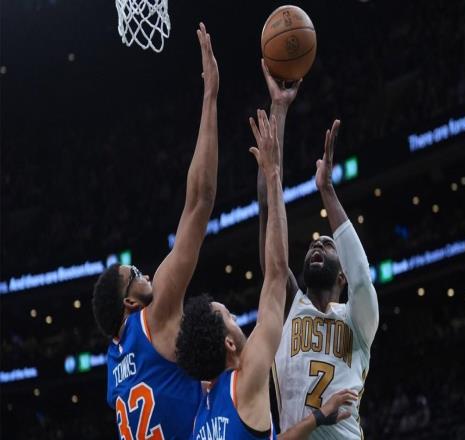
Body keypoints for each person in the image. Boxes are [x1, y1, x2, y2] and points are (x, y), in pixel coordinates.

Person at [176, 109, 358, 440]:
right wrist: (273, 175)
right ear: (228, 342)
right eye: (229, 316)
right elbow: (275, 274)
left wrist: (316, 418)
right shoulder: (245, 380)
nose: (237, 319)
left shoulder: (201, 415)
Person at [91, 23, 219, 439]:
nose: (144, 272)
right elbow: (199, 201)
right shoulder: (155, 313)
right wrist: (210, 96)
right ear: (130, 302)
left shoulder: (113, 367)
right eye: (134, 275)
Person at [258, 61, 379, 439]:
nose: (317, 245)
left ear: (341, 275)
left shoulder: (358, 319)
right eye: (313, 244)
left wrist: (327, 190)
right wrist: (279, 108)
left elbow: (362, 278)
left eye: (327, 245)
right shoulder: (289, 304)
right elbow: (267, 208)